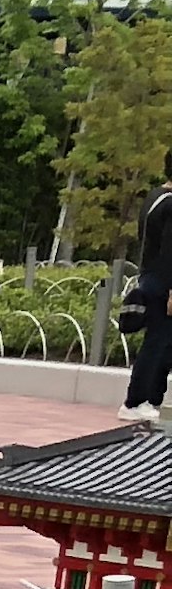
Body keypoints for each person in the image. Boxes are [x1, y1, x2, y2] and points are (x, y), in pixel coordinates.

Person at [129, 169, 172, 429]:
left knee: (163, 343)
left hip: (149, 275)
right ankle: (136, 401)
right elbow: (169, 251)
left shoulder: (154, 196)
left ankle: (150, 399)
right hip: (162, 282)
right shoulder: (169, 203)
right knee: (156, 342)